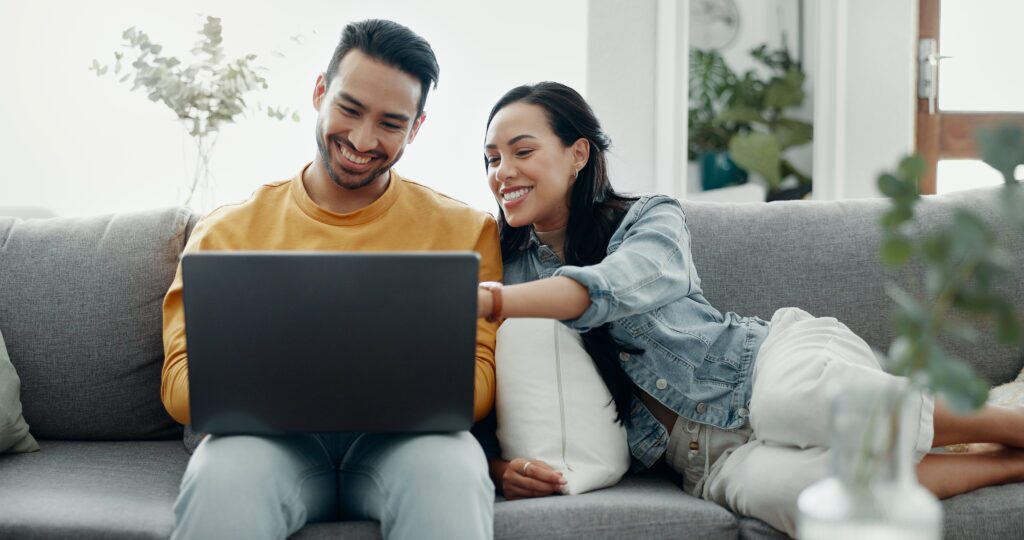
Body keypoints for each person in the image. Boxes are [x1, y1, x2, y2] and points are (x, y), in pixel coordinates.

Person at [473, 81, 1024, 536]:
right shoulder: (504, 266)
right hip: (705, 460)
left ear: (578, 153)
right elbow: (490, 403)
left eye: (522, 151)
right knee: (808, 497)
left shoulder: (648, 219)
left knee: (791, 404)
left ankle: (1013, 425)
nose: (503, 173)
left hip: (764, 364)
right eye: (492, 159)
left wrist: (492, 302)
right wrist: (501, 471)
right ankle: (1013, 463)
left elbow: (606, 289)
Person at [161, 19, 501, 540]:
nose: (363, 140)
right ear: (320, 92)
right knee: (221, 480)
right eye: (349, 109)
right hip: (265, 444)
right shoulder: (225, 231)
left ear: (416, 128)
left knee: (452, 472)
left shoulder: (465, 230)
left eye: (391, 123)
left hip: (410, 445)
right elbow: (181, 387)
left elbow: (477, 382)